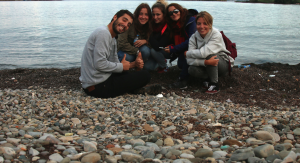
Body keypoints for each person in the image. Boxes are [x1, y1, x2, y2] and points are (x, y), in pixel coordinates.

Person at [79, 10, 161, 98]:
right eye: (124, 20)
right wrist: (124, 66)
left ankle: (135, 89)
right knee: (145, 75)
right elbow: (100, 64)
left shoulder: (113, 38)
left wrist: (134, 64)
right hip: (98, 87)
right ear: (115, 17)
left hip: (100, 80)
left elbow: (116, 65)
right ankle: (135, 89)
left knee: (127, 75)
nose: (125, 25)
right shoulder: (103, 33)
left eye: (129, 24)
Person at [185, 11, 234, 94]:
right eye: (199, 24)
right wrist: (205, 62)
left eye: (205, 23)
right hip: (207, 63)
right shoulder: (193, 37)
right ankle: (207, 79)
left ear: (210, 24)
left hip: (222, 63)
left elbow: (204, 53)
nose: (201, 26)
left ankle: (214, 84)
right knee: (191, 69)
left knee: (211, 56)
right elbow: (189, 61)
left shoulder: (216, 34)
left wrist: (187, 53)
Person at [164, 3, 196, 89]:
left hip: (196, 48)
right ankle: (192, 77)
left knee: (186, 57)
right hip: (185, 48)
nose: (173, 14)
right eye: (170, 13)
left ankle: (183, 81)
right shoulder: (174, 25)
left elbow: (191, 41)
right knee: (181, 65)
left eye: (175, 11)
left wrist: (173, 49)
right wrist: (170, 46)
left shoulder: (191, 21)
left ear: (180, 10)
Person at [117, 3, 156, 70]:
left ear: (149, 16)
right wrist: (137, 52)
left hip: (140, 53)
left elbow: (153, 43)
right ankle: (129, 65)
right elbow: (121, 43)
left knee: (147, 55)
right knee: (127, 58)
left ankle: (138, 65)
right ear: (137, 14)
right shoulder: (129, 23)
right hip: (126, 51)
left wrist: (146, 41)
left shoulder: (149, 26)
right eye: (141, 14)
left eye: (146, 14)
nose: (143, 17)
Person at [148, 0, 173, 73]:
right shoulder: (151, 23)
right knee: (148, 67)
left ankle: (164, 66)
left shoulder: (168, 26)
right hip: (156, 48)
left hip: (169, 51)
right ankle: (159, 61)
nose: (155, 17)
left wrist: (148, 37)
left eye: (158, 14)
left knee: (154, 50)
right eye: (153, 14)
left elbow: (158, 46)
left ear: (164, 14)